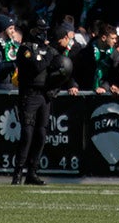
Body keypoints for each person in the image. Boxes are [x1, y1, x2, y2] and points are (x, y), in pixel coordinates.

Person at [12, 23, 74, 185]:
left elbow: (60, 68)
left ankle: (32, 172)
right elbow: (37, 65)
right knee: (27, 134)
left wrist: (68, 84)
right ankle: (18, 172)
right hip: (29, 95)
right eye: (40, 31)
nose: (43, 35)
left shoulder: (50, 50)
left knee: (41, 135)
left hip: (44, 96)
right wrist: (49, 53)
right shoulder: (25, 48)